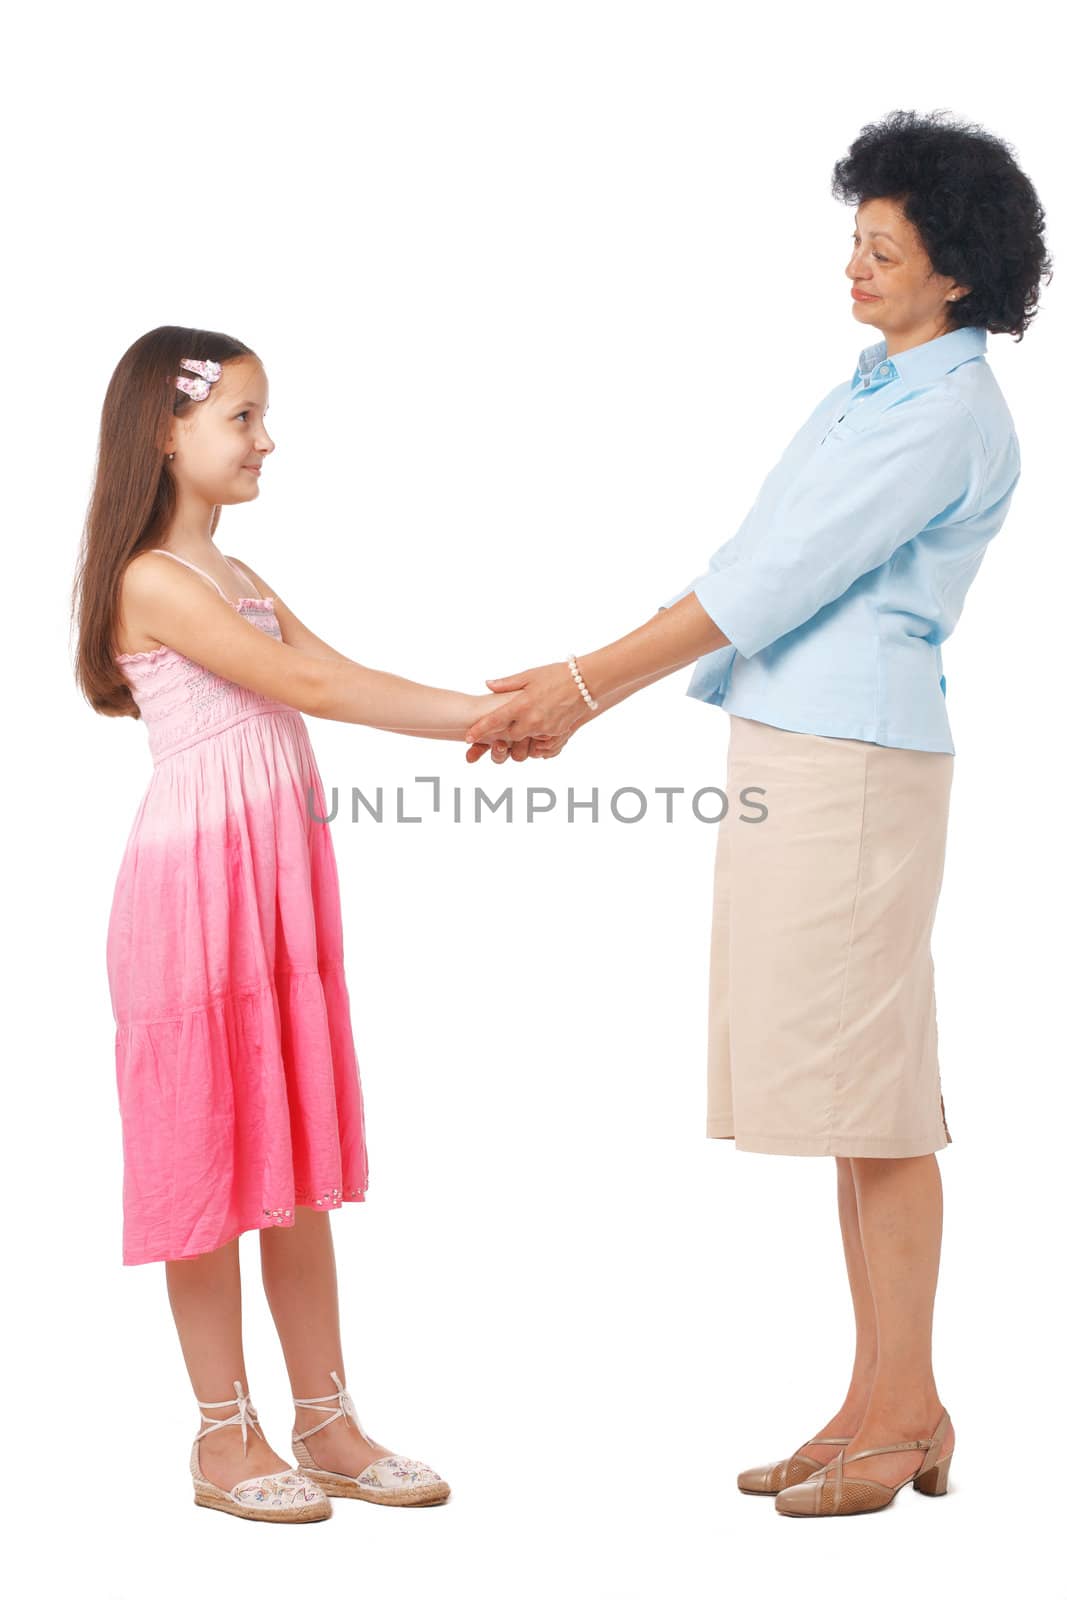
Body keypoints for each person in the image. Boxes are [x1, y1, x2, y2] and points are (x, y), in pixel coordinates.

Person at [464, 109, 1051, 1518]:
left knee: (877, 1096)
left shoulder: (944, 412)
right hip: (803, 746)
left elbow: (773, 580)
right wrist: (590, 681)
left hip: (851, 764)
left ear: (954, 274)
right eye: (851, 240)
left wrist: (580, 685)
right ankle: (878, 1399)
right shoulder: (877, 382)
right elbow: (751, 556)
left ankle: (901, 1407)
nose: (852, 266)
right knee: (854, 1100)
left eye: (882, 249)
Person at [74, 328, 526, 1521]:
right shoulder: (154, 577)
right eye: (242, 416)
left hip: (271, 886)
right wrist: (493, 719)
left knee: (291, 1161)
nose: (266, 439)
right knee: (207, 1158)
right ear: (165, 431)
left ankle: (324, 1418)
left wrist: (490, 711)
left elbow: (341, 668)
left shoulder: (239, 574)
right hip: (196, 891)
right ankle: (223, 1436)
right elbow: (316, 693)